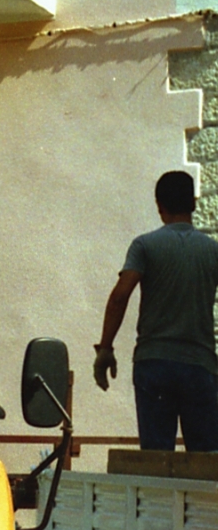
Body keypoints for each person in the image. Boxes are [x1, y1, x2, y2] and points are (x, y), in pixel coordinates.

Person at [94, 171, 218, 450]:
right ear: (194, 204)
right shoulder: (212, 251)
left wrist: (105, 348)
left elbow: (120, 296)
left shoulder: (145, 245)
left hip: (155, 362)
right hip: (200, 364)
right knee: (207, 462)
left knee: (156, 460)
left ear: (159, 205)